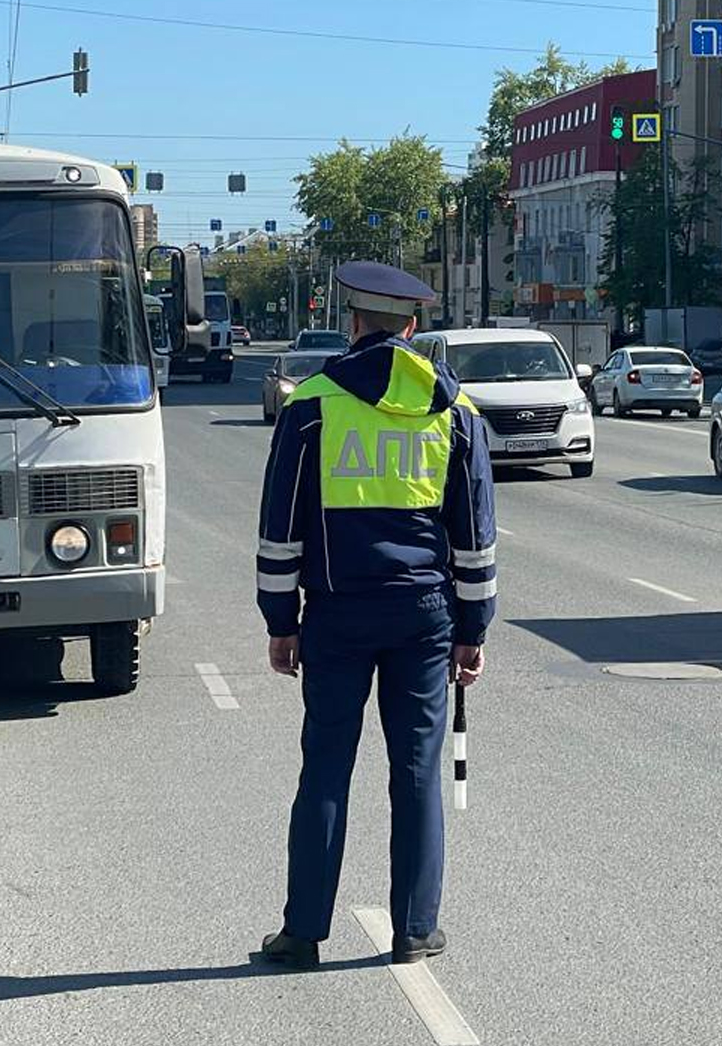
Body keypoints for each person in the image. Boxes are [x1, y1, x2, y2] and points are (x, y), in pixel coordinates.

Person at [255, 261, 498, 970]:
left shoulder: (313, 405)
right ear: (413, 328)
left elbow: (281, 522)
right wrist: (472, 630)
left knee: (325, 768)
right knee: (418, 770)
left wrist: (281, 619)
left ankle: (302, 933)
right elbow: (475, 534)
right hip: (424, 617)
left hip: (335, 614)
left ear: (353, 321)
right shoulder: (455, 410)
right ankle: (415, 929)